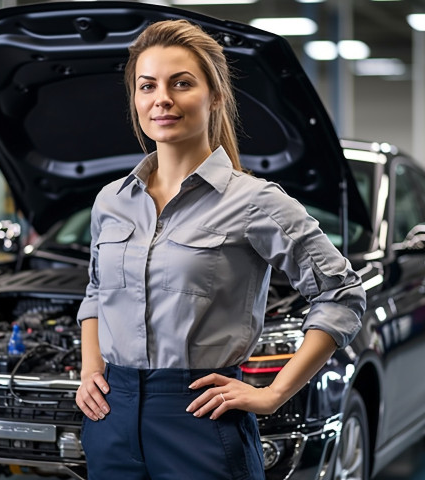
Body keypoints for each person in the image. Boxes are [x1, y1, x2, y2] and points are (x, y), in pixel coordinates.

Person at [75, 18, 366, 480]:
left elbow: (342, 294)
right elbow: (95, 291)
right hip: (110, 415)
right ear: (135, 99)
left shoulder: (254, 201)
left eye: (181, 83)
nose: (162, 98)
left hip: (200, 418)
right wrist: (92, 368)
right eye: (147, 85)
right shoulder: (112, 200)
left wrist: (273, 393)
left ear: (215, 96)